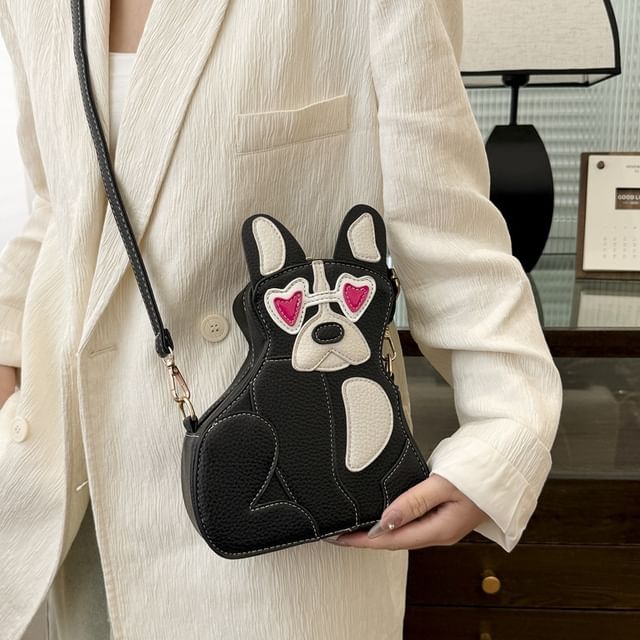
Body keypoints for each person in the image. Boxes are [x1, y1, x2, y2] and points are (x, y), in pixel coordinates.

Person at [0, 0, 563, 638]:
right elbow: (62, 204)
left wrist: (504, 437)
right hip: (75, 498)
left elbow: (448, 230)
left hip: (288, 535)